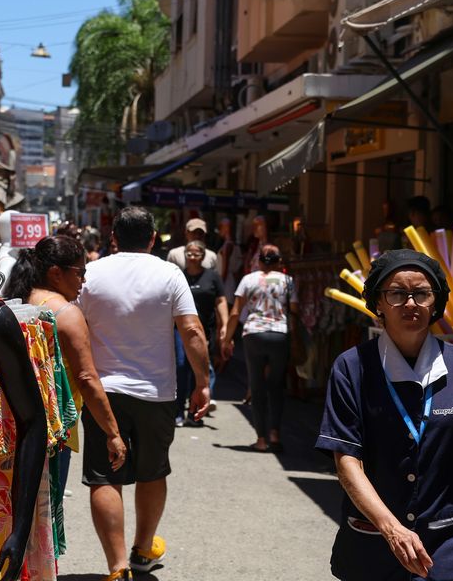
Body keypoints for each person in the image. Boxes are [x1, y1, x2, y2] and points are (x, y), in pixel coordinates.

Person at [318, 249, 453, 581]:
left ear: (435, 304)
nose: (410, 303)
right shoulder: (351, 368)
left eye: (421, 293)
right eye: (397, 293)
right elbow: (347, 462)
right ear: (378, 303)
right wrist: (391, 528)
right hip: (375, 549)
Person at [77, 207, 209, 580]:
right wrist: (202, 382)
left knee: (105, 476)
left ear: (113, 238)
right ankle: (142, 549)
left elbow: (71, 324)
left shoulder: (91, 273)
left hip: (103, 392)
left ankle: (118, 567)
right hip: (156, 393)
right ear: (153, 239)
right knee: (153, 471)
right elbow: (192, 330)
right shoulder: (169, 273)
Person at [3, 234, 127, 495]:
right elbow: (86, 378)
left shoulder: (20, 299)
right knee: (47, 507)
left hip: (14, 423)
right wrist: (113, 433)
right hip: (53, 430)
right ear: (56, 273)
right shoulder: (66, 314)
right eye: (80, 272)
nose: (84, 280)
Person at [223, 244, 297, 452]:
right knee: (276, 386)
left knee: (256, 385)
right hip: (279, 334)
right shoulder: (288, 281)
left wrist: (227, 339)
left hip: (253, 334)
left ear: (258, 261)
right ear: (279, 261)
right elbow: (294, 310)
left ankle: (261, 440)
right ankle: (275, 434)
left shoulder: (248, 279)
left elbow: (235, 312)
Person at [174, 240, 229, 423]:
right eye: (189, 253)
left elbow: (220, 301)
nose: (192, 257)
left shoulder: (212, 277)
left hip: (205, 328)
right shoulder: (179, 276)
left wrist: (225, 325)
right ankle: (178, 411)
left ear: (203, 256)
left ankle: (194, 411)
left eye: (196, 254)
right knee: (181, 366)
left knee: (198, 366)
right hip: (180, 329)